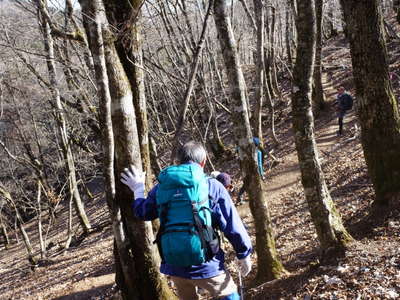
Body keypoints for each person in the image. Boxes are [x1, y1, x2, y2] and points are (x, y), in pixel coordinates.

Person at [120, 141, 252, 300]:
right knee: (230, 295)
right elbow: (231, 223)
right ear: (202, 162)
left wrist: (138, 189)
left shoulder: (162, 187)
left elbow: (143, 212)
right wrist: (243, 253)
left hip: (174, 264)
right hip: (207, 264)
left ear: (178, 161)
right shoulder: (211, 185)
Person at [236, 137, 265, 205]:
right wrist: (262, 174)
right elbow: (259, 165)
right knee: (255, 183)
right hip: (254, 171)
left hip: (245, 170)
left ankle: (240, 197)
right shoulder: (258, 152)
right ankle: (257, 196)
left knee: (246, 183)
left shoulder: (244, 152)